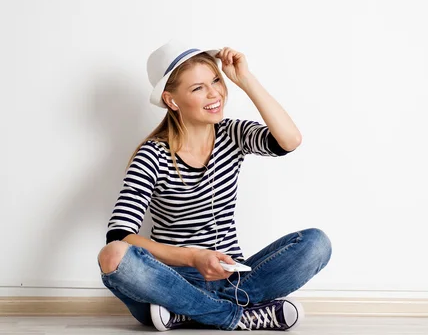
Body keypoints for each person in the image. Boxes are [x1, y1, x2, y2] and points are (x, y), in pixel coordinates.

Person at [96, 40, 332, 331]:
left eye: (216, 81)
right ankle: (237, 315)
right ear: (172, 100)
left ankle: (190, 312)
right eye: (198, 88)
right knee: (113, 256)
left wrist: (245, 80)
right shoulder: (152, 155)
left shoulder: (232, 134)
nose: (214, 93)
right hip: (171, 282)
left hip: (234, 278)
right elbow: (120, 236)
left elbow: (289, 141)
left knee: (316, 243)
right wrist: (193, 257)